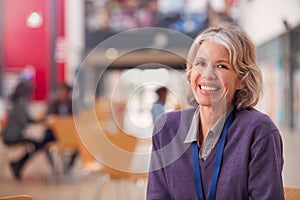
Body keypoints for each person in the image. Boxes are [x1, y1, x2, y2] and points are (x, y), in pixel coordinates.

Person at [146, 24, 284, 199]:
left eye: (222, 66)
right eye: (200, 63)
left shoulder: (259, 131)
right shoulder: (166, 129)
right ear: (190, 73)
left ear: (242, 79)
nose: (208, 74)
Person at [1, 79, 44, 180]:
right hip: (13, 136)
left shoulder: (14, 101)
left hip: (8, 135)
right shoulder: (21, 102)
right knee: (38, 144)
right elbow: (24, 121)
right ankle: (17, 164)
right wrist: (40, 120)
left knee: (36, 143)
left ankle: (18, 164)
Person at [42, 83, 78, 172]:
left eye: (63, 93)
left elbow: (77, 119)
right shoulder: (53, 104)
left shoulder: (73, 105)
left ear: (68, 94)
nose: (61, 95)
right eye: (60, 93)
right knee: (45, 141)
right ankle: (53, 167)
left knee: (80, 143)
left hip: (69, 134)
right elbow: (48, 118)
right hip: (54, 134)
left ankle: (68, 166)